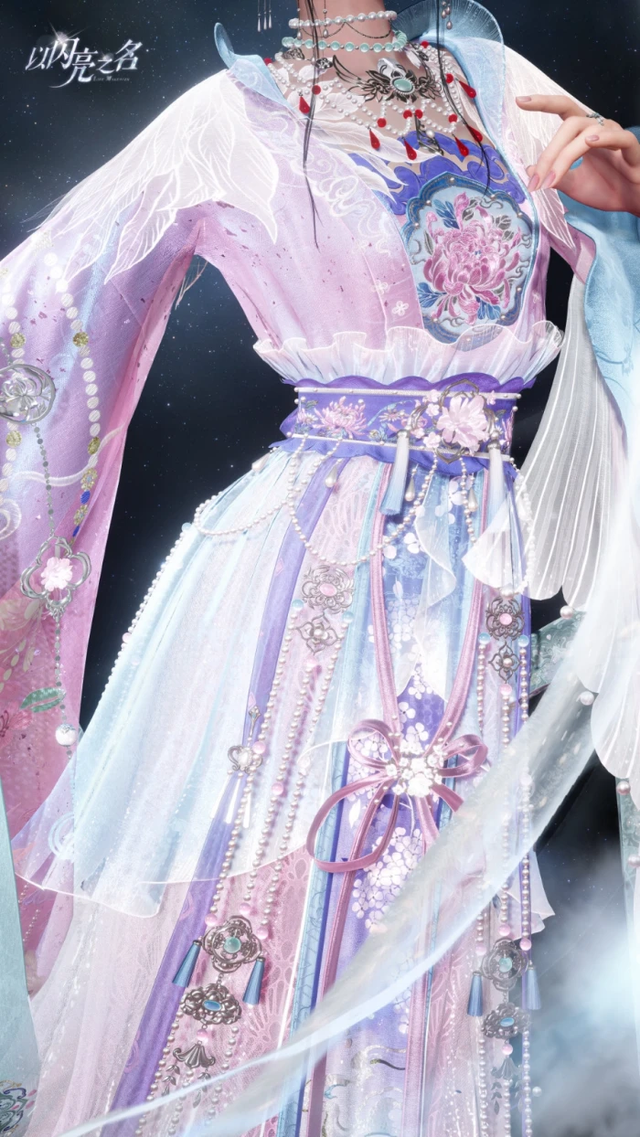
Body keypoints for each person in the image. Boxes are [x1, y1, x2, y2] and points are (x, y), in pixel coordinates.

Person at [1, 1, 640, 1134]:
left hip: (474, 555)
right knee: (288, 864)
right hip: (314, 554)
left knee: (431, 867)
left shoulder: (491, 80)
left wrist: (628, 211)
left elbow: (611, 246)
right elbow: (47, 293)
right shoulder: (227, 115)